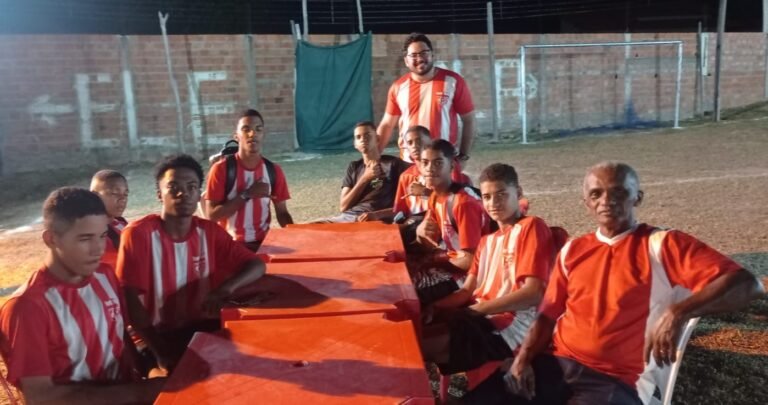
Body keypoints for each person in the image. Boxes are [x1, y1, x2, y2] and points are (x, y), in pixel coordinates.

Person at [506, 162, 765, 405]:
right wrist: (523, 358)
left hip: (616, 378)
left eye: (618, 191)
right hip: (558, 362)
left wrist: (679, 312)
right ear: (586, 203)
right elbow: (547, 316)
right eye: (596, 194)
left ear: (637, 197)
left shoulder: (662, 244)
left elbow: (748, 285)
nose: (606, 201)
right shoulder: (572, 250)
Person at [0, 187, 163, 404]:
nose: (98, 249)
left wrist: (152, 371)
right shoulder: (26, 308)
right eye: (85, 239)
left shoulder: (105, 276)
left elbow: (120, 337)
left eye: (102, 236)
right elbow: (41, 398)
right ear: (51, 239)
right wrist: (140, 392)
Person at [117, 154, 267, 373]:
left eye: (191, 187)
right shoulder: (139, 235)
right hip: (155, 335)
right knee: (174, 379)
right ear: (159, 194)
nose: (183, 193)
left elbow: (256, 265)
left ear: (199, 195)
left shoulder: (209, 232)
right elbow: (130, 299)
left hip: (202, 327)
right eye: (174, 187)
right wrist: (160, 351)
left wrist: (224, 289)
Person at [420, 163, 556, 377]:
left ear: (518, 193)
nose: (494, 203)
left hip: (512, 328)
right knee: (416, 334)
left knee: (420, 347)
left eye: (501, 194)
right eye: (487, 197)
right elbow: (466, 291)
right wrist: (434, 307)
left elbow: (533, 293)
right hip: (479, 318)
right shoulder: (486, 242)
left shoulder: (531, 227)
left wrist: (474, 311)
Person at [377, 33, 476, 167]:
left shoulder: (453, 81)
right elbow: (387, 125)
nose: (419, 58)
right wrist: (374, 156)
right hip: (408, 162)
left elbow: (469, 119)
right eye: (413, 55)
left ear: (432, 55)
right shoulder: (398, 87)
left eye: (424, 53)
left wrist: (463, 156)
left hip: (443, 161)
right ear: (406, 60)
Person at [410, 140, 490, 303]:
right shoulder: (435, 196)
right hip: (452, 264)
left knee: (411, 296)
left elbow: (471, 261)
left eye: (438, 163)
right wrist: (419, 234)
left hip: (472, 276)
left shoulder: (463, 203)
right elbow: (427, 242)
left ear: (451, 166)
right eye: (425, 163)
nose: (430, 168)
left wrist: (437, 260)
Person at [205, 109, 293, 251]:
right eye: (246, 129)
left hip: (264, 245)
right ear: (236, 136)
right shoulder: (221, 169)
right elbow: (212, 216)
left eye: (258, 129)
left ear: (263, 134)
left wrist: (295, 235)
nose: (253, 134)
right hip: (231, 246)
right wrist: (247, 194)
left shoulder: (274, 170)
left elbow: (282, 213)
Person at [314, 121, 410, 223]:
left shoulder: (393, 164)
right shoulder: (354, 167)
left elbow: (407, 204)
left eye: (367, 135)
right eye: (358, 137)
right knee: (311, 226)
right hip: (349, 216)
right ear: (355, 144)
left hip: (376, 218)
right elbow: (343, 206)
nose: (363, 139)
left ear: (377, 139)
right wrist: (365, 178)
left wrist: (377, 215)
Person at [90, 169, 130, 269]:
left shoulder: (121, 223)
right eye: (115, 193)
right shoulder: (93, 235)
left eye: (125, 194)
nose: (123, 199)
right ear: (95, 196)